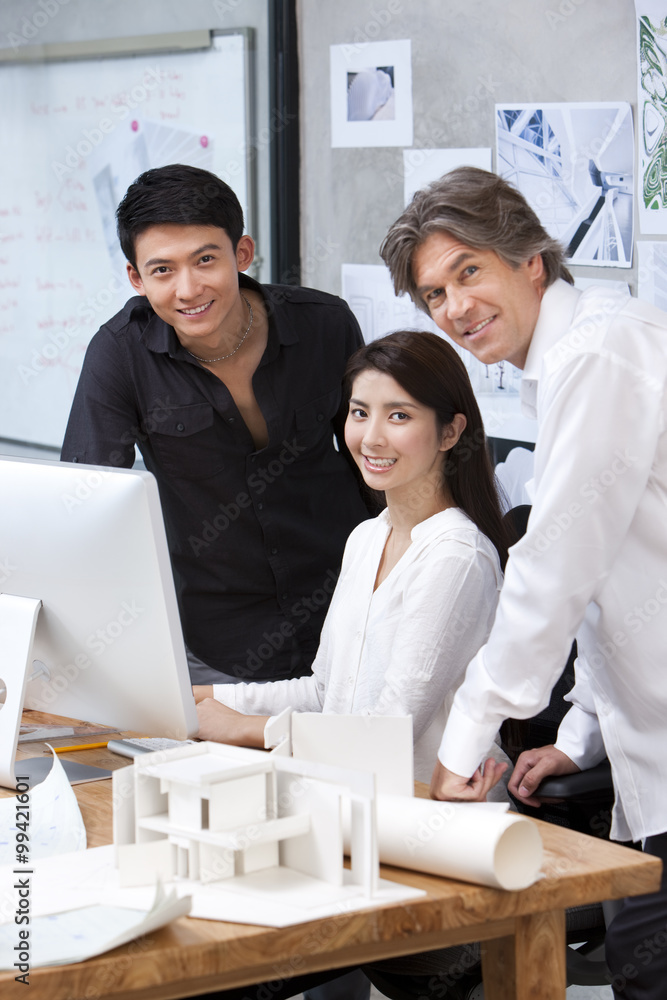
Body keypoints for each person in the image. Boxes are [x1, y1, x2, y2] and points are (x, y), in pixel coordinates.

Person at [380, 165, 667, 1000]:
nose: (454, 308)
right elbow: (617, 578)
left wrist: (464, 740)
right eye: (433, 294)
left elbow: (556, 564)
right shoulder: (572, 359)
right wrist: (580, 734)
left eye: (468, 272)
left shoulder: (598, 349)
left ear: (531, 260)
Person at [60, 164, 371, 688]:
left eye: (206, 259)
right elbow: (85, 506)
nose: (188, 288)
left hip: (351, 615)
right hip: (217, 645)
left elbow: (379, 461)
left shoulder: (325, 323)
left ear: (241, 254)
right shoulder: (119, 355)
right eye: (162, 270)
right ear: (136, 278)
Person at [195, 329, 509, 792]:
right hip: (346, 794)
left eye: (399, 415)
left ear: (450, 432)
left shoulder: (455, 556)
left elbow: (389, 731)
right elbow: (326, 694)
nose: (371, 437)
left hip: (430, 813)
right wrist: (205, 697)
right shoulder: (368, 536)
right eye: (360, 413)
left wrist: (246, 728)